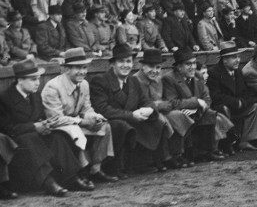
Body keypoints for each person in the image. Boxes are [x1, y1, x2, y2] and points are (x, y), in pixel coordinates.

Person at [0, 59, 83, 196]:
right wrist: (33, 126)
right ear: (20, 80)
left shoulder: (35, 96)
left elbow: (39, 117)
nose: (38, 82)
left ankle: (72, 177)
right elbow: (6, 129)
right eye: (33, 79)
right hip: (16, 146)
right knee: (29, 138)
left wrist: (46, 124)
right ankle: (48, 183)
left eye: (38, 79)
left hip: (35, 140)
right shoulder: (5, 98)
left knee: (56, 137)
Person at [89, 44, 172, 177]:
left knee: (156, 121)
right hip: (110, 122)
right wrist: (131, 115)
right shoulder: (101, 81)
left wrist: (149, 109)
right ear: (112, 64)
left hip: (129, 119)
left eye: (128, 61)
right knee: (121, 125)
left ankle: (145, 163)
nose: (125, 65)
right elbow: (103, 109)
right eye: (121, 61)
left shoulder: (133, 81)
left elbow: (146, 101)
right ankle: (115, 168)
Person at [40, 48, 117, 187]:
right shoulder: (53, 87)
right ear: (66, 69)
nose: (82, 72)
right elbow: (55, 119)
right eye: (77, 68)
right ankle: (81, 172)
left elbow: (86, 107)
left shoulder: (84, 84)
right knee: (76, 131)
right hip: (58, 128)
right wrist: (82, 122)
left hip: (76, 123)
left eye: (84, 67)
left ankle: (95, 169)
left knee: (104, 126)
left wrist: (94, 117)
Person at [162, 48, 231, 162]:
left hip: (197, 113)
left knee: (211, 114)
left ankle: (209, 151)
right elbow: (172, 102)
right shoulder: (169, 79)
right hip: (182, 114)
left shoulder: (198, 76)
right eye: (188, 64)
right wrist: (196, 103)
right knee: (180, 116)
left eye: (194, 63)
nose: (193, 67)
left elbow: (207, 98)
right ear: (179, 67)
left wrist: (198, 108)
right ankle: (179, 155)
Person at [206, 42, 257, 153]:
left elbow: (246, 92)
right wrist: (236, 102)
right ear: (224, 60)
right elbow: (215, 96)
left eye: (238, 56)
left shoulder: (238, 71)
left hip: (237, 106)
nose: (237, 60)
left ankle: (245, 141)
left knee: (255, 107)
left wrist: (242, 102)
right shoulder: (214, 73)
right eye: (233, 57)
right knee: (224, 109)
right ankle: (227, 144)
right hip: (222, 108)